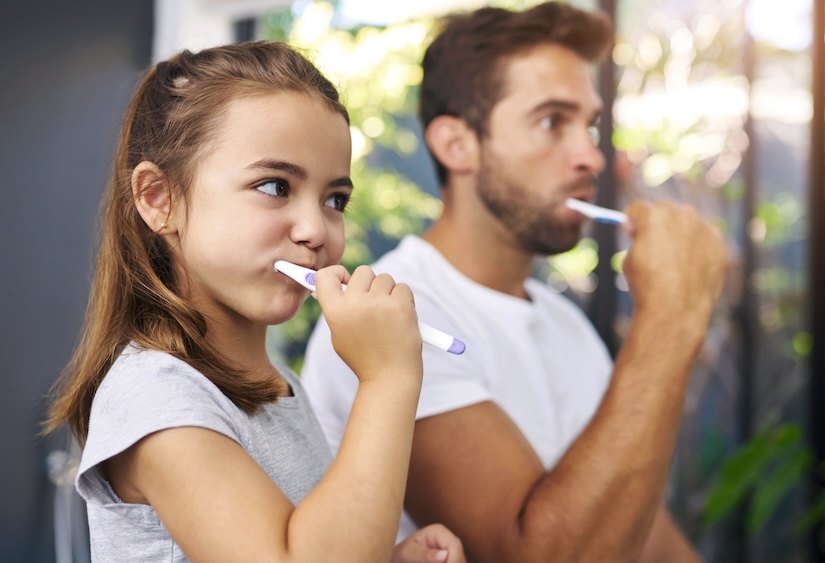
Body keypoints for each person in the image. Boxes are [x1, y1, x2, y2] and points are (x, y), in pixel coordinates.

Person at [301, 3, 728, 562]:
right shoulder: (396, 316)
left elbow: (647, 541)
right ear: (457, 144)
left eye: (590, 126)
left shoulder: (566, 326)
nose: (590, 157)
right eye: (553, 121)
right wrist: (671, 316)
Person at [44, 41, 466, 563]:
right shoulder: (153, 400)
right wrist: (388, 380)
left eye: (335, 199)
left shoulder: (282, 387)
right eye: (274, 185)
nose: (316, 230)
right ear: (158, 198)